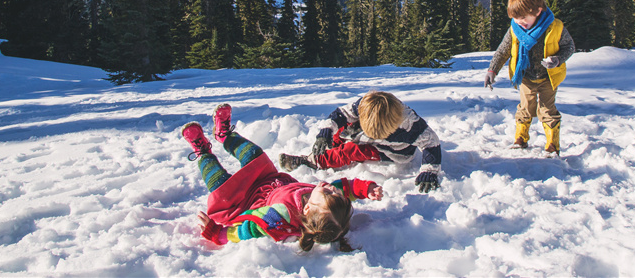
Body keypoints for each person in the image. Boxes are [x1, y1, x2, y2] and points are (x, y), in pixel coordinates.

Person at [182, 104, 383, 252]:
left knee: (218, 182)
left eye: (327, 192)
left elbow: (250, 229)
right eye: (334, 192)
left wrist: (218, 234)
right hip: (267, 181)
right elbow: (344, 188)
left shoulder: (280, 215)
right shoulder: (323, 201)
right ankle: (225, 135)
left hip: (240, 202)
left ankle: (203, 152)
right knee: (253, 154)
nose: (330, 187)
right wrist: (365, 189)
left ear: (306, 209)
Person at [279, 91, 442, 193]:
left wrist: (429, 170)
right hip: (365, 131)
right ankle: (333, 147)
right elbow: (341, 114)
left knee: (352, 150)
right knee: (340, 130)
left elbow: (431, 142)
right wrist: (325, 132)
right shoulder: (366, 104)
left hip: (393, 151)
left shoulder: (410, 124)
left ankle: (312, 161)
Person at [484, 0, 575, 154]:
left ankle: (552, 144)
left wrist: (557, 59)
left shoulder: (555, 27)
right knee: (525, 108)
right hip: (525, 77)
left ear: (538, 11)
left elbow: (569, 47)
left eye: (523, 17)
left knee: (547, 109)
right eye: (516, 18)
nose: (520, 22)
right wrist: (492, 70)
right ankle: (521, 138)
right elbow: (503, 51)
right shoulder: (515, 29)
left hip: (548, 77)